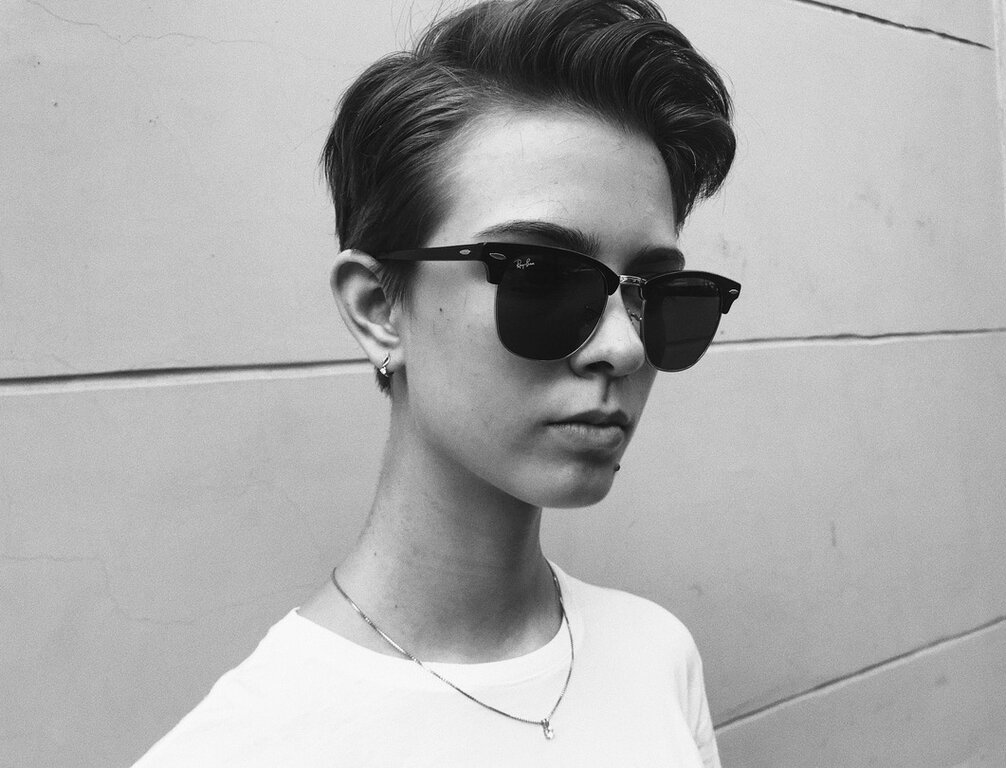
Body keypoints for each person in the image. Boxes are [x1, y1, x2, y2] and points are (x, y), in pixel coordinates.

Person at [133, 0, 739, 765]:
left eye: (657, 293)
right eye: (542, 278)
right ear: (378, 308)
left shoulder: (658, 654)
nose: (622, 348)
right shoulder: (240, 749)